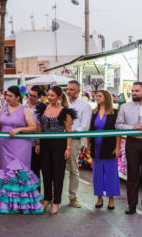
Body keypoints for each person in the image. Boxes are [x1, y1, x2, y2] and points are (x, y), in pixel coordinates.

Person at [0, 86, 42, 215]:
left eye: (10, 96)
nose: (7, 98)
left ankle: (22, 204)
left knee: (19, 173)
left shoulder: (25, 110)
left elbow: (33, 127)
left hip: (20, 146)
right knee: (7, 173)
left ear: (18, 97)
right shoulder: (3, 108)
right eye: (6, 95)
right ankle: (8, 204)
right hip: (5, 146)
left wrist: (19, 129)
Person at [36, 86, 75, 215]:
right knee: (46, 173)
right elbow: (40, 127)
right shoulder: (43, 108)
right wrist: (38, 142)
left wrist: (68, 148)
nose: (50, 97)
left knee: (58, 174)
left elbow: (69, 131)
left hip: (59, 144)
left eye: (53, 95)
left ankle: (56, 201)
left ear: (59, 97)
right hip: (45, 144)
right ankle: (47, 199)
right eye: (49, 95)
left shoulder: (65, 111)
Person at [87, 90, 120, 210]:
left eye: (99, 96)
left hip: (110, 147)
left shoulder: (114, 113)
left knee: (111, 174)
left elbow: (118, 132)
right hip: (96, 147)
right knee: (97, 174)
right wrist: (88, 146)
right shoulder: (93, 112)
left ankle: (111, 199)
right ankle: (99, 198)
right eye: (96, 95)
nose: (96, 97)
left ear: (106, 98)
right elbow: (89, 131)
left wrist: (117, 147)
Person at [115, 81, 142, 215]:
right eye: (133, 91)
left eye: (137, 91)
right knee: (132, 175)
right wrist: (132, 128)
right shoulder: (125, 107)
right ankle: (131, 205)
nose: (134, 93)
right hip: (132, 143)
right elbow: (118, 125)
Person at [65, 80, 92, 208]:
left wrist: (72, 132)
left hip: (74, 140)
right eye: (67, 89)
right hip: (59, 139)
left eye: (71, 89)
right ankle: (54, 197)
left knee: (73, 169)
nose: (68, 91)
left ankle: (73, 197)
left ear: (78, 91)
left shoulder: (85, 106)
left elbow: (84, 126)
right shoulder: (63, 103)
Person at [26, 86, 47, 184]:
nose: (30, 97)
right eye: (29, 95)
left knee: (35, 170)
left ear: (39, 97)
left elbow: (41, 126)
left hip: (35, 143)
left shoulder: (42, 107)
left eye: (33, 96)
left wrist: (38, 143)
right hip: (23, 142)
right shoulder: (23, 105)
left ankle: (36, 194)